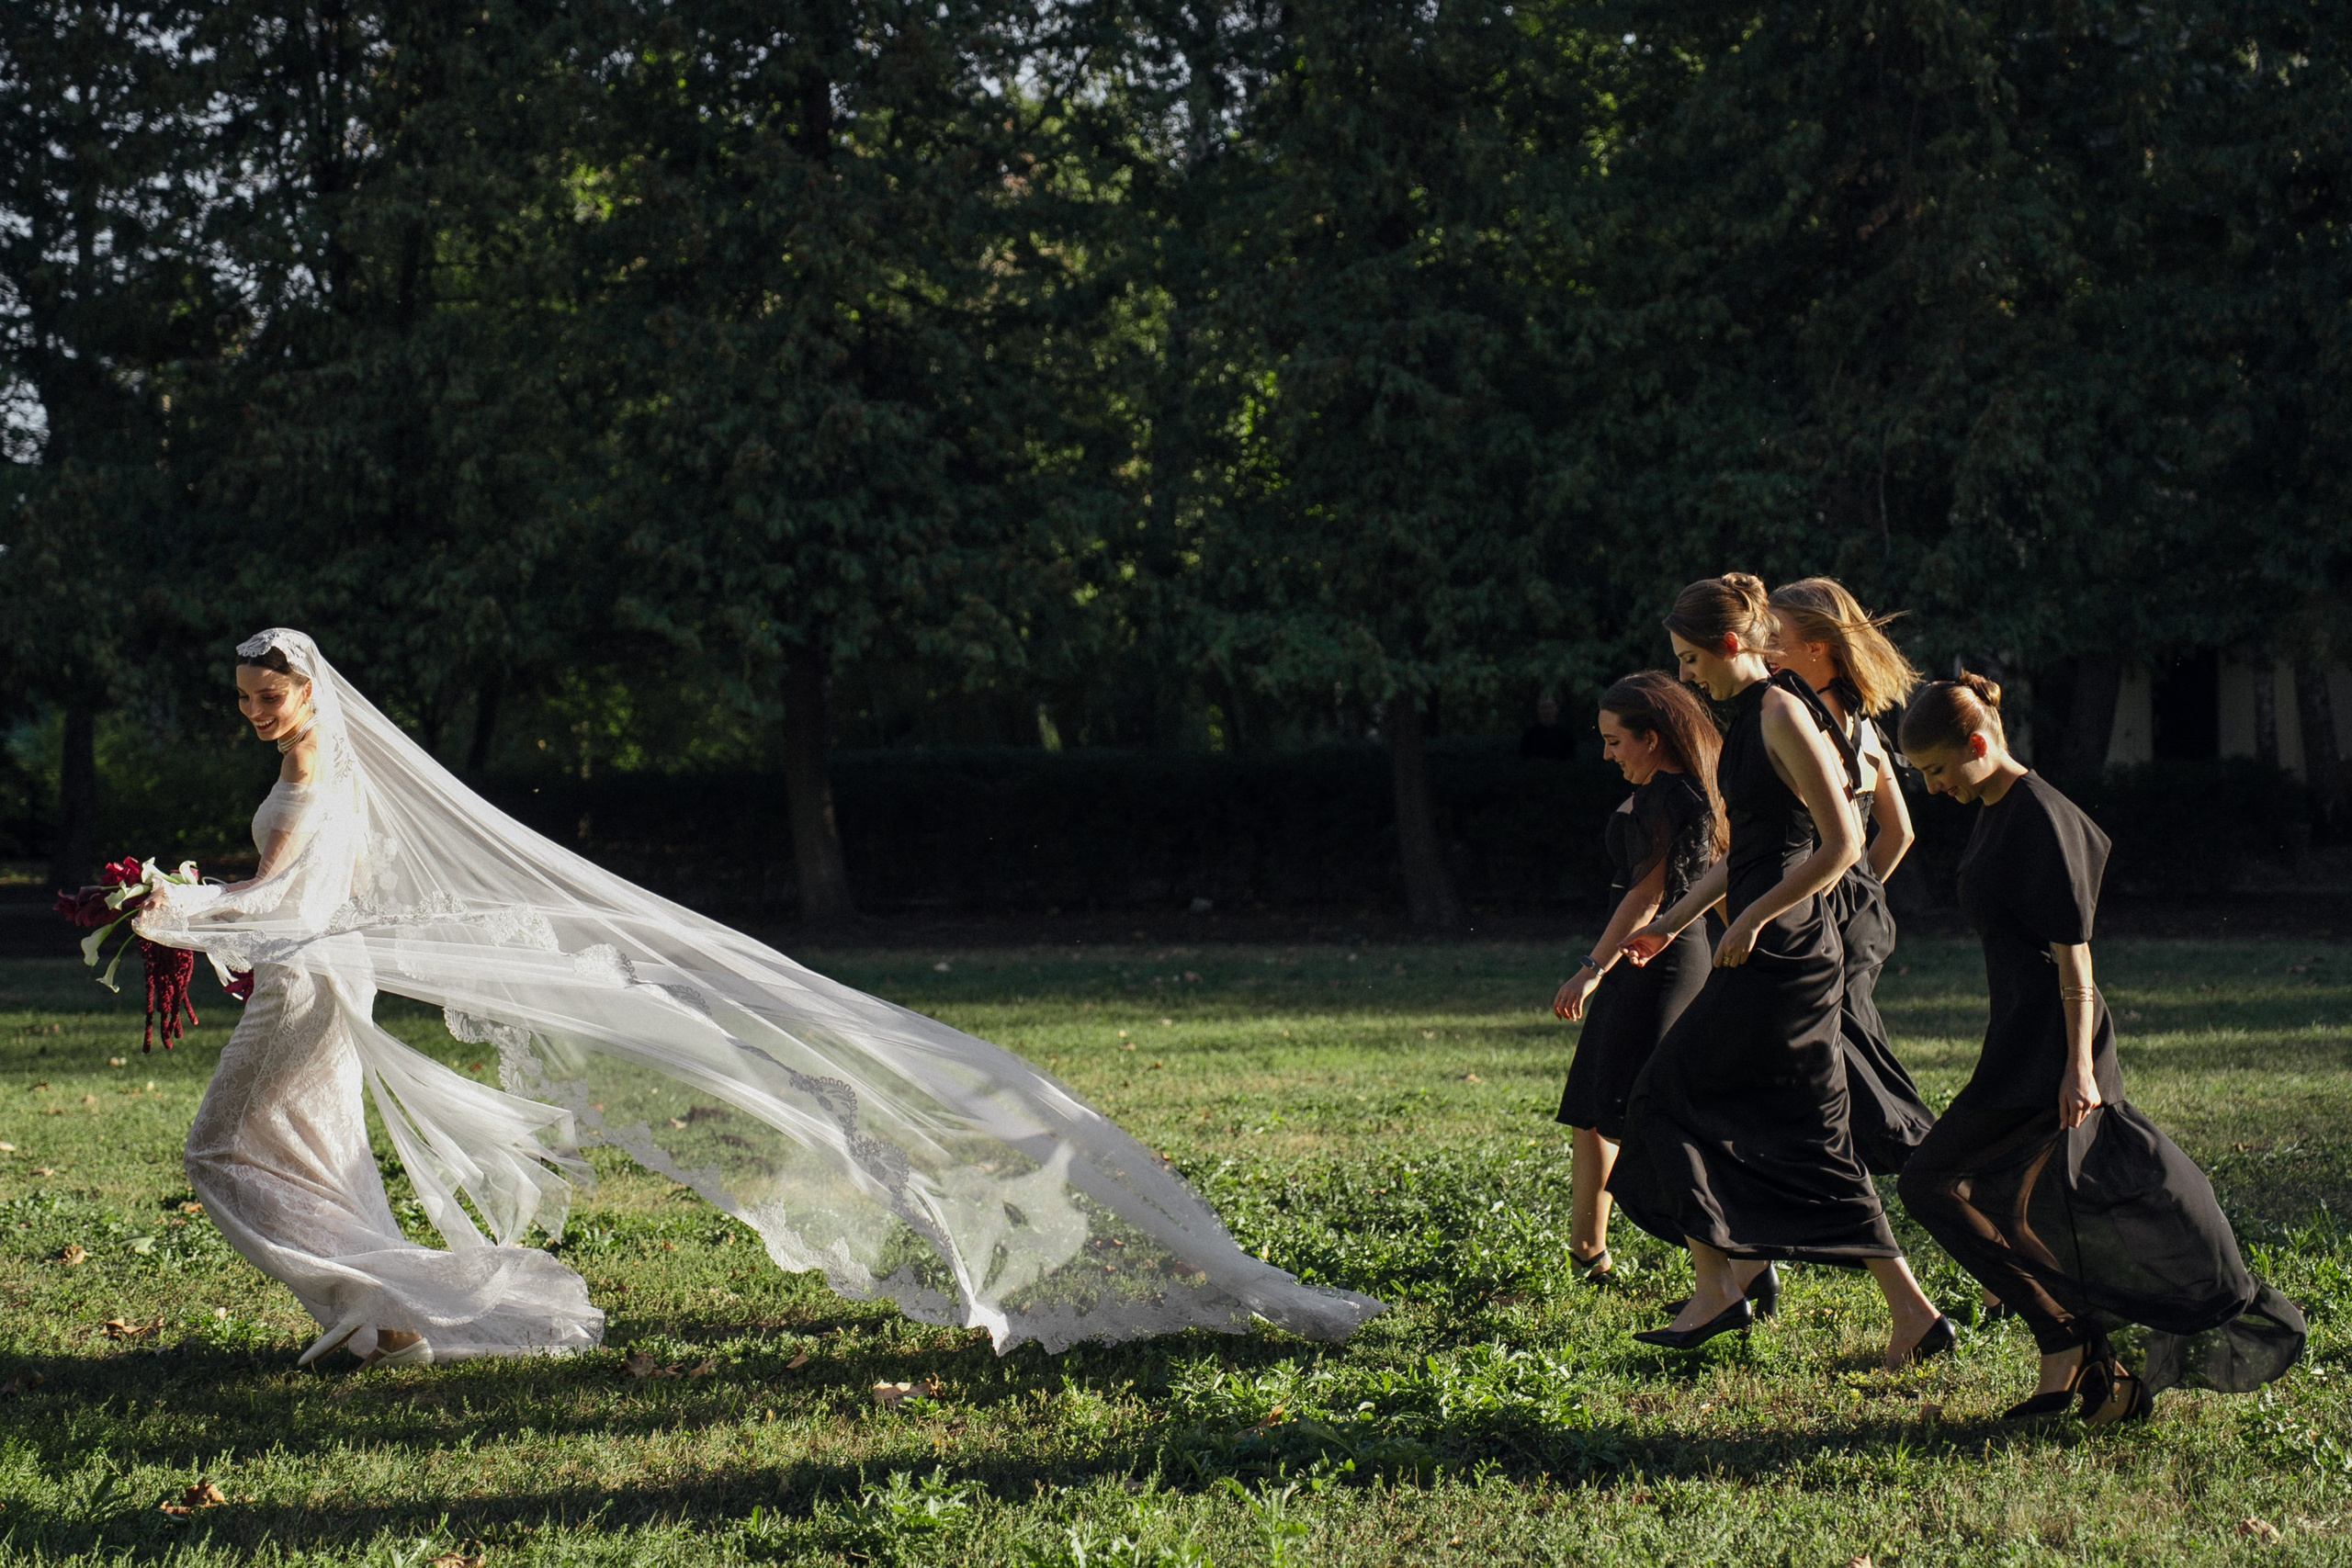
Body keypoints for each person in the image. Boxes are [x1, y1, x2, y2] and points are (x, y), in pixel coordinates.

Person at [137, 630, 1384, 1369]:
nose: (253, 712)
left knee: (218, 1150)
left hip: (299, 981)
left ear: (311, 693)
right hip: (318, 970)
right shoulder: (325, 776)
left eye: (268, 695)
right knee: (315, 1148)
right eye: (242, 698)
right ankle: (376, 1311)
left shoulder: (316, 785)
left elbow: (284, 894)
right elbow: (285, 884)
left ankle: (380, 1302)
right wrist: (194, 895)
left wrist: (171, 908)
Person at [1895, 675, 2303, 1422]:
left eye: (1937, 771)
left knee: (1932, 1182)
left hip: (2049, 1050)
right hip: (2017, 1042)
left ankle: (2071, 1342)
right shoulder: (1993, 808)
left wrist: (2079, 1068)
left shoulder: (2042, 819)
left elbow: (2077, 965)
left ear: (1979, 745)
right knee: (1995, 1200)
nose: (1932, 787)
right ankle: (2078, 1356)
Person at [1609, 575, 1951, 1369]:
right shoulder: (1757, 717)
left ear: (1732, 646)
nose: (1686, 677)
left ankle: (1723, 1289)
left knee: (1668, 1096)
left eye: (1692, 659)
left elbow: (1842, 847)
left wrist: (1759, 918)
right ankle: (1906, 1313)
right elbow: (1746, 854)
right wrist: (1669, 923)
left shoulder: (1783, 712)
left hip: (1786, 954)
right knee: (1799, 1130)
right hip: (1767, 946)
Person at [1551, 672, 1724, 1283]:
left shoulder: (1673, 795)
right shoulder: (1675, 790)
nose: (1606, 753)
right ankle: (1587, 1250)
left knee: (1650, 1110)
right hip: (1643, 956)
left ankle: (1737, 1257)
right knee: (1596, 1104)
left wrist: (1591, 967)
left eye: (1615, 740)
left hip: (1659, 960)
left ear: (1651, 737)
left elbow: (1647, 894)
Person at [1766, 578, 1934, 1174]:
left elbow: (1883, 833)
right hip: (1859, 912)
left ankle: (1932, 1160)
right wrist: (1863, 889)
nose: (1764, 647)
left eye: (1775, 635)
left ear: (1816, 647)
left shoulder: (1814, 728)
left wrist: (1835, 889)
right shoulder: (1862, 724)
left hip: (1827, 914)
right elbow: (1900, 831)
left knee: (1848, 1056)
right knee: (1847, 1047)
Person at [1520, 696, 1578, 761]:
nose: (1546, 712)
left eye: (1550, 707)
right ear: (1537, 711)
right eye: (1543, 708)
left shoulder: (1566, 735)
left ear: (1557, 709)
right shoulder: (1529, 735)